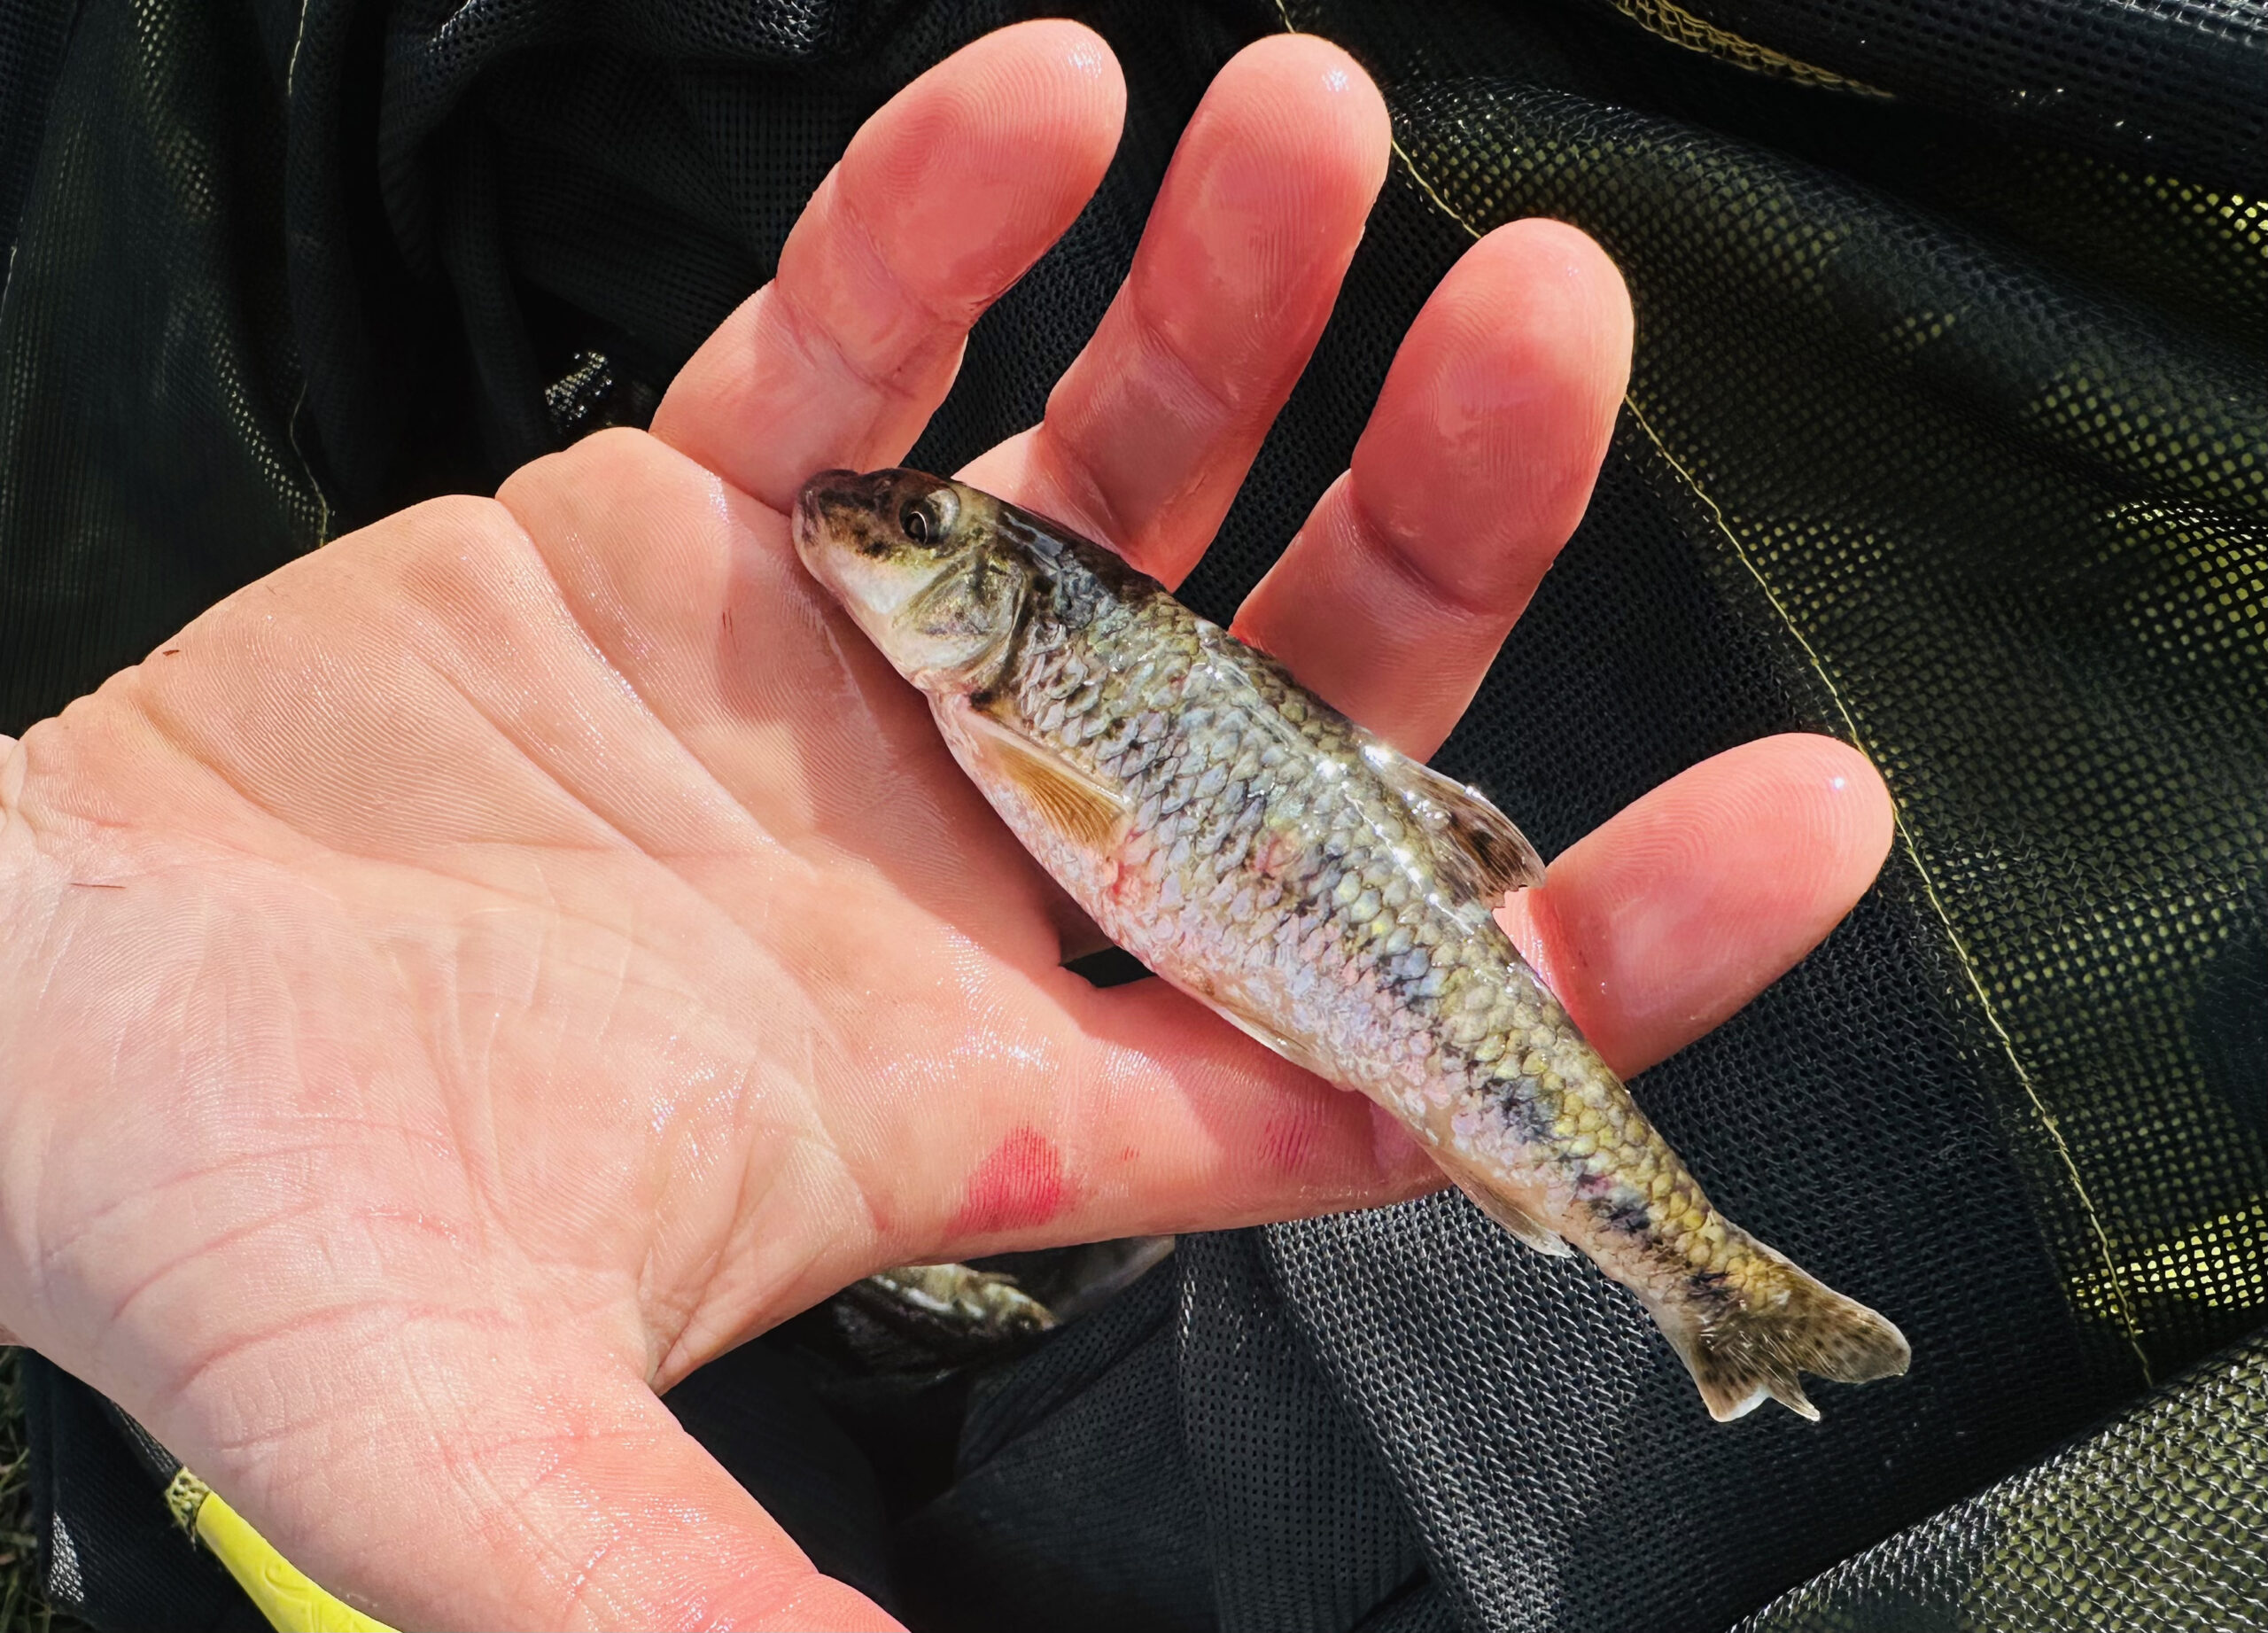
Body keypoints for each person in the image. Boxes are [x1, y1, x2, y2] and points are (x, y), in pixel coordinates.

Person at [0, 23, 1893, 1629]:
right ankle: (1698, 1271)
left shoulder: (1025, 674)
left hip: (1370, 946)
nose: (859, 529)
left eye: (910, 533)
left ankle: (1696, 1274)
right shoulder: (985, 685)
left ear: (987, 604)